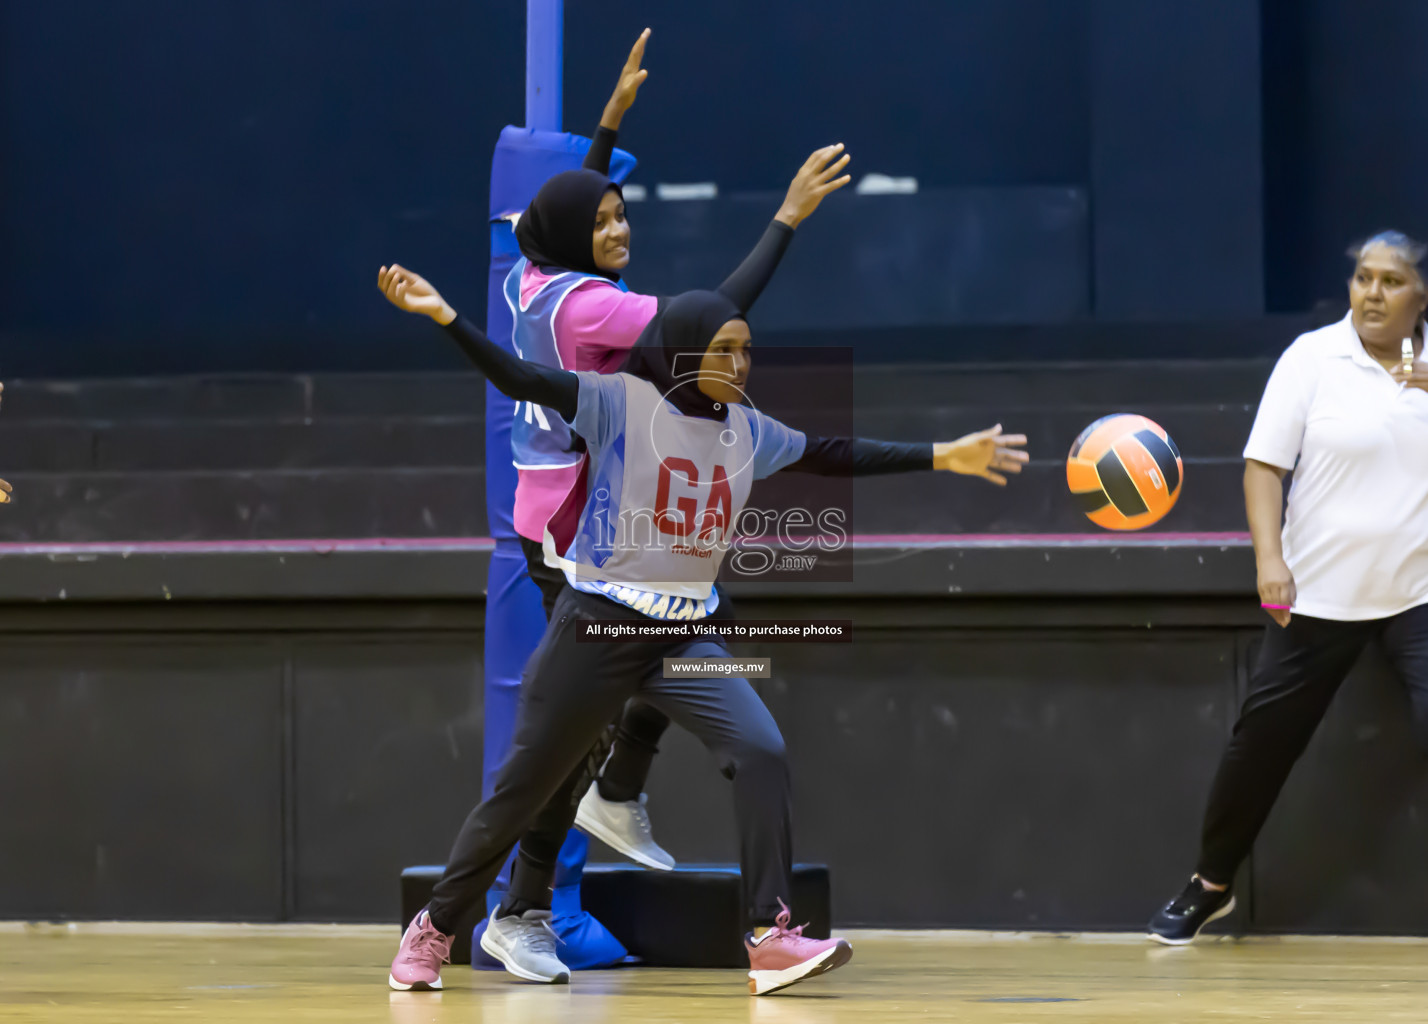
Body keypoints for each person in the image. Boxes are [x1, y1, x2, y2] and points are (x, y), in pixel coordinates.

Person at [379, 265, 1029, 994]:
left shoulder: (750, 431)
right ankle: (434, 930)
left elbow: (835, 454)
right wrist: (445, 317)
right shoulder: (617, 403)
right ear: (683, 353)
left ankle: (770, 935)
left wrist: (946, 455)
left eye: (747, 351)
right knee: (524, 792)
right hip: (597, 630)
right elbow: (521, 377)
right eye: (724, 350)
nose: (741, 365)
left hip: (682, 639)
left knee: (761, 749)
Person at [448, 29, 853, 983]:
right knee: (574, 730)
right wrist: (788, 219)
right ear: (578, 240)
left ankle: (610, 801)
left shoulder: (528, 278)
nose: (622, 230)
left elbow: (560, 213)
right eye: (611, 222)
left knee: (697, 619)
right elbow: (710, 318)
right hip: (575, 531)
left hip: (565, 512)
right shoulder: (593, 310)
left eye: (625, 216)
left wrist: (605, 127)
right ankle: (522, 904)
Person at [1148, 230, 1428, 944]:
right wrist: (1269, 560)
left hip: (1418, 593)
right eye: (1363, 277)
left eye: (1390, 282)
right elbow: (1264, 468)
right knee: (1262, 741)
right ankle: (1209, 884)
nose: (1371, 293)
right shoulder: (1312, 359)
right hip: (1319, 594)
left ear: (1420, 296)